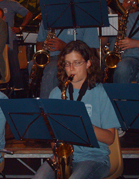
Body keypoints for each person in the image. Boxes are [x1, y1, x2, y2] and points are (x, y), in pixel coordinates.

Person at [32, 40, 120, 179]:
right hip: (65, 157)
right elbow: (53, 132)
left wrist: (83, 125)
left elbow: (109, 138)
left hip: (95, 158)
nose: (71, 68)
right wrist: (56, 151)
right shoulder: (56, 93)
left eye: (77, 63)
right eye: (67, 64)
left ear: (88, 63)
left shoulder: (101, 93)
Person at [32, 0, 99, 98]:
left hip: (74, 59)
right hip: (50, 56)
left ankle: (46, 108)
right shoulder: (49, 15)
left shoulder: (86, 17)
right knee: (31, 66)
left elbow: (91, 50)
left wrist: (64, 47)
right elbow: (40, 41)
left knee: (51, 70)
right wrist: (41, 54)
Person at [0, 0, 33, 89]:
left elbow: (29, 14)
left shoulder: (11, 3)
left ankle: (19, 90)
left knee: (14, 66)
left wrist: (20, 27)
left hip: (10, 39)